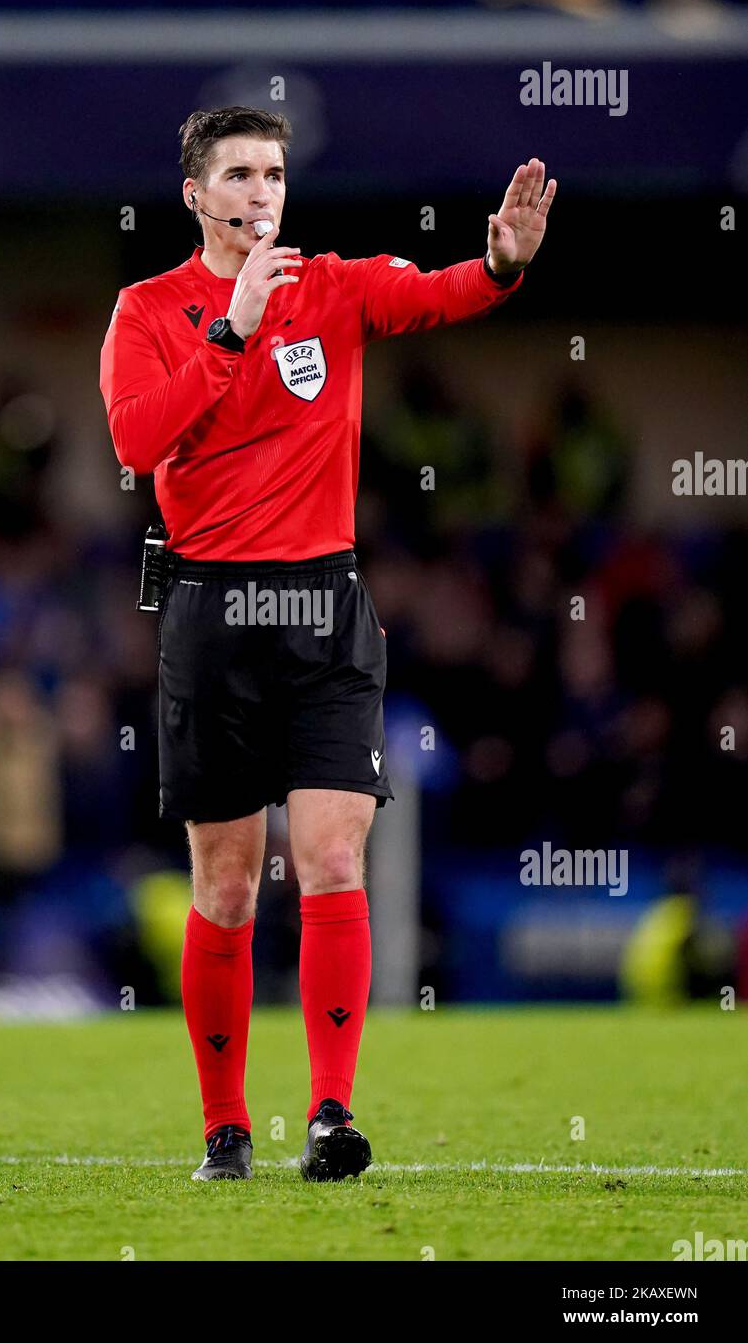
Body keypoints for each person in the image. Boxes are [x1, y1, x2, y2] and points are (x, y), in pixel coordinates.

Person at [99, 106, 555, 1181]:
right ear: (195, 197)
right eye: (240, 175)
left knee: (334, 854)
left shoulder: (333, 287)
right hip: (211, 616)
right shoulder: (148, 308)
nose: (262, 193)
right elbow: (134, 439)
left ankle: (330, 1114)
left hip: (323, 612)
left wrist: (497, 262)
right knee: (224, 883)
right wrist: (231, 329)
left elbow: (437, 293)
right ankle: (223, 1129)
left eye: (274, 175)